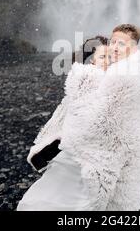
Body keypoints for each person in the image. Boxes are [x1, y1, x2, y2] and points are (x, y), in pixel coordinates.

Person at [58, 24, 140, 210]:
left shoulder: (123, 74)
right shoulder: (131, 70)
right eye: (113, 43)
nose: (114, 49)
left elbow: (95, 121)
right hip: (133, 159)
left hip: (126, 161)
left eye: (120, 44)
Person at [17, 36, 109, 211]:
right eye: (102, 57)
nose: (107, 62)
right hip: (74, 155)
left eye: (110, 58)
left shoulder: (117, 84)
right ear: (92, 61)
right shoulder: (82, 82)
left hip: (96, 159)